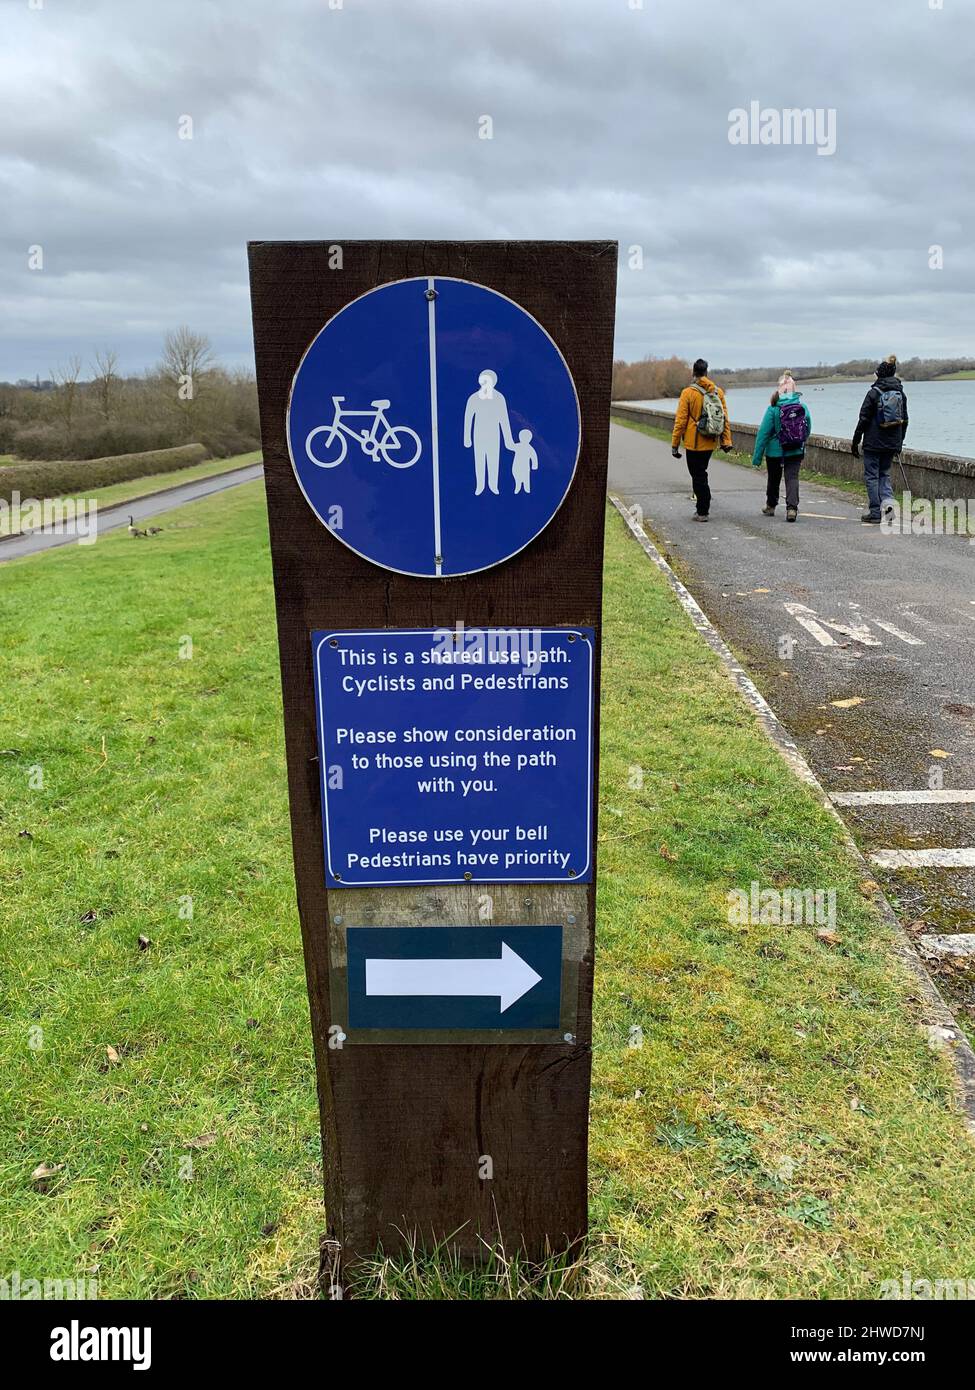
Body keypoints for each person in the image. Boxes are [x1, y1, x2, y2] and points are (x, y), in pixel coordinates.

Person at [671, 358, 733, 521]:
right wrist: (726, 441)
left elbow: (681, 421)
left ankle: (702, 509)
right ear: (706, 372)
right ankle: (702, 506)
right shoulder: (717, 392)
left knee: (697, 474)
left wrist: (675, 443)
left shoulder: (688, 393)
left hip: (694, 443)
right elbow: (724, 418)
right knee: (701, 472)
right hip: (711, 440)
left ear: (693, 373)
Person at [851, 355, 908, 524]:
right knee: (885, 475)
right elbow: (905, 420)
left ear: (879, 375)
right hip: (891, 444)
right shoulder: (900, 393)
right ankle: (889, 511)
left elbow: (863, 419)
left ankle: (875, 512)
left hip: (873, 443)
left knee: (872, 477)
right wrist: (899, 442)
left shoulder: (873, 393)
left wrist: (855, 441)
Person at [750, 372, 811, 522]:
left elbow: (763, 435)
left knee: (774, 478)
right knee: (792, 478)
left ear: (779, 389)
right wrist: (799, 441)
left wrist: (756, 458)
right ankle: (792, 509)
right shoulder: (802, 406)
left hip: (775, 452)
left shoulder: (773, 409)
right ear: (794, 389)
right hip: (795, 449)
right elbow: (807, 428)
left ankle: (771, 505)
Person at [463, 369, 515, 496]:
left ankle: (493, 485)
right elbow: (468, 419)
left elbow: (504, 420)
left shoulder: (499, 398)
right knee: (479, 460)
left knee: (493, 459)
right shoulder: (473, 398)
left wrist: (508, 440)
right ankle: (480, 485)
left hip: (494, 434)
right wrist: (467, 438)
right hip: (478, 434)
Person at [510, 429, 538, 494]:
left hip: (525, 467)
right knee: (517, 476)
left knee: (526, 478)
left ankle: (526, 489)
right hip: (516, 466)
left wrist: (534, 465)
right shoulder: (518, 446)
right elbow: (510, 446)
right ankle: (518, 487)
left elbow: (533, 457)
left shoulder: (529, 448)